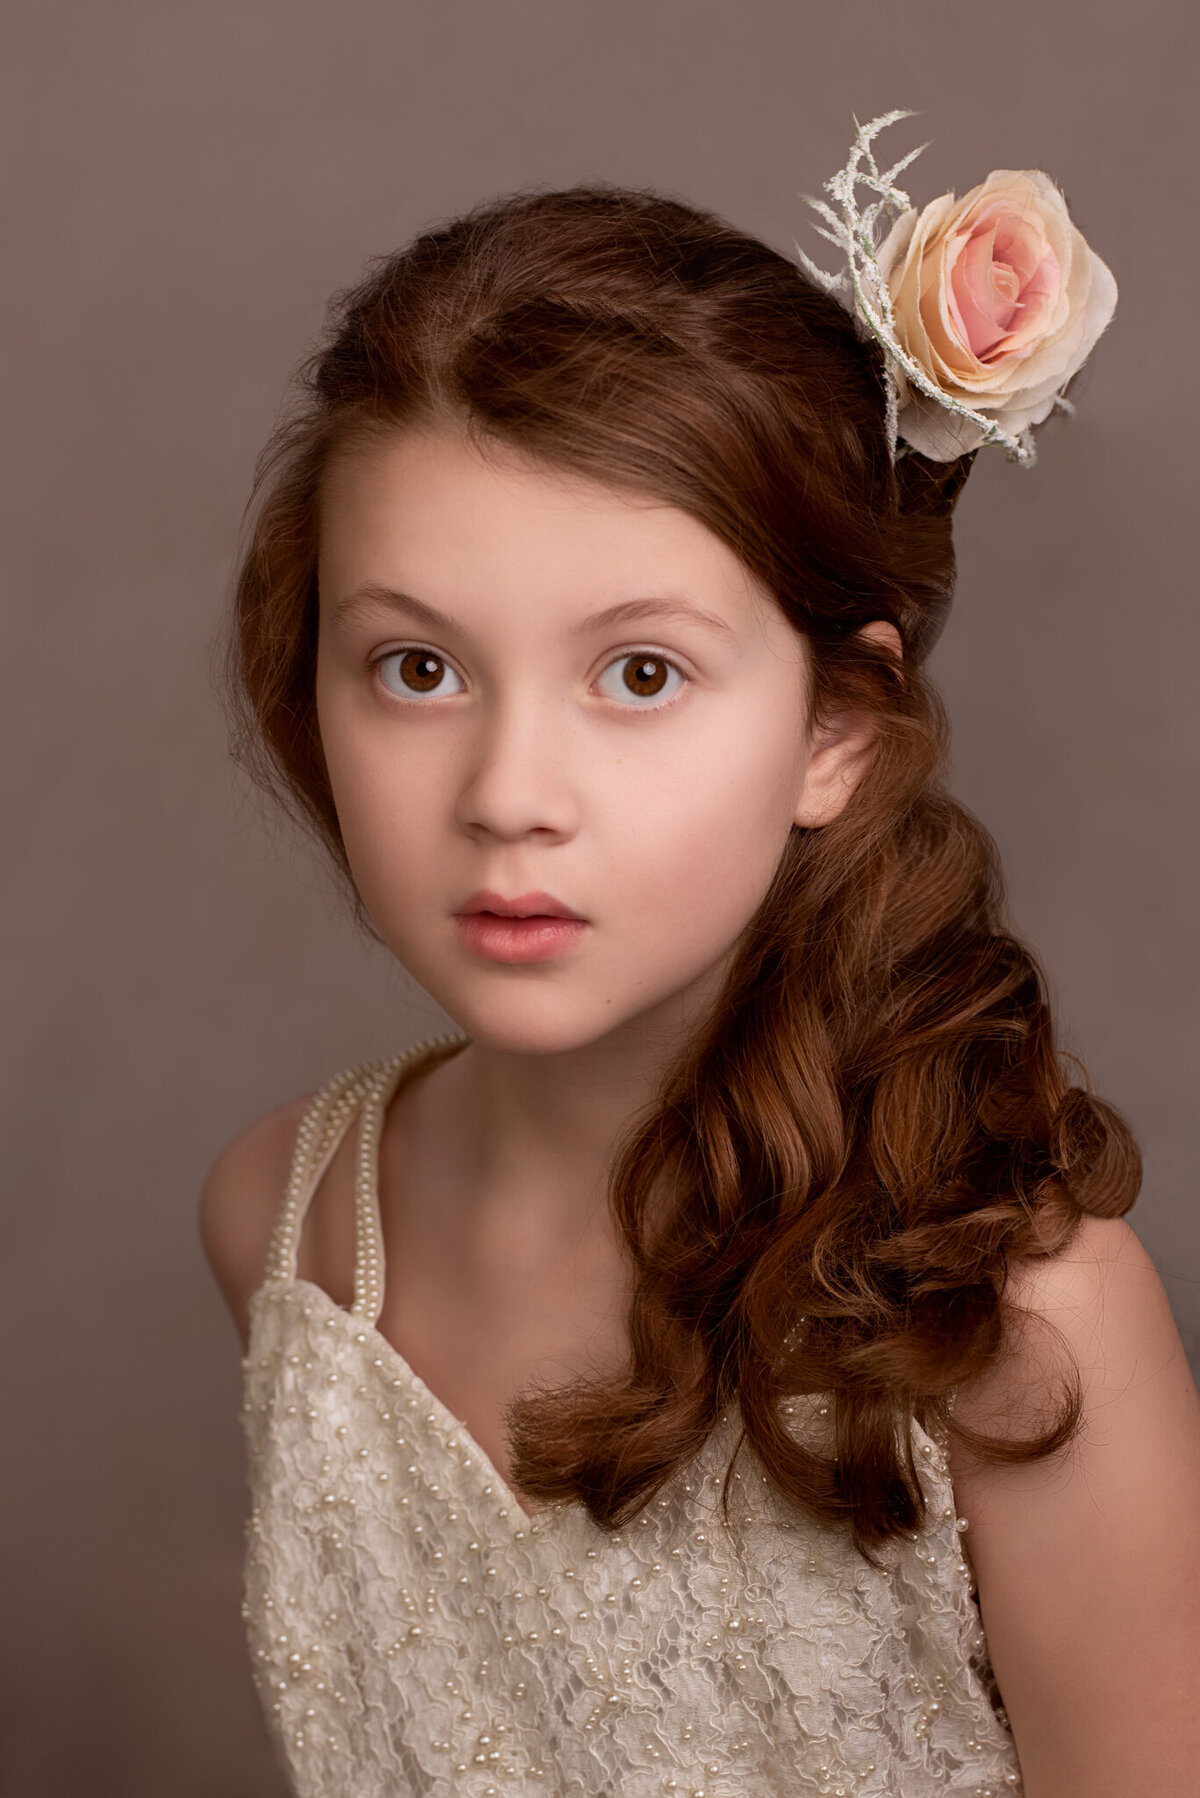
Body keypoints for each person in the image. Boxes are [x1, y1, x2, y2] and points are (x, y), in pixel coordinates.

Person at [200, 114, 1200, 1798]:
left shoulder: (1022, 1333)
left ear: (836, 728)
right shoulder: (287, 1229)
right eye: (417, 671)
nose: (510, 796)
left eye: (640, 674)